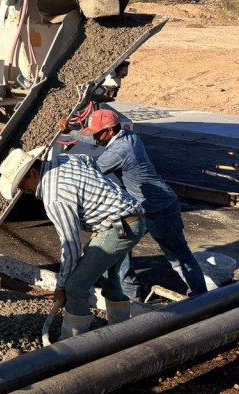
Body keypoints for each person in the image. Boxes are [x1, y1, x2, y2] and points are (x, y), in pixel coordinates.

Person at [0, 146, 145, 337]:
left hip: (119, 227)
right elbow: (88, 160)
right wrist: (100, 198)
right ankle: (122, 331)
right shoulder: (64, 160)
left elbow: (71, 246)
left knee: (76, 285)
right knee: (108, 277)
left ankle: (72, 343)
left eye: (21, 184)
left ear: (33, 173)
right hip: (129, 218)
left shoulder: (55, 197)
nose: (21, 189)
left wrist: (61, 286)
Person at [65, 108, 208, 300]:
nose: (96, 139)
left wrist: (61, 167)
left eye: (98, 133)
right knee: (120, 244)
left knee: (178, 256)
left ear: (110, 131)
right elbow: (94, 139)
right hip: (143, 205)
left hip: (159, 208)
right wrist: (71, 131)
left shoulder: (120, 151)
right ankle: (130, 293)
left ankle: (201, 299)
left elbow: (91, 173)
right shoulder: (129, 136)